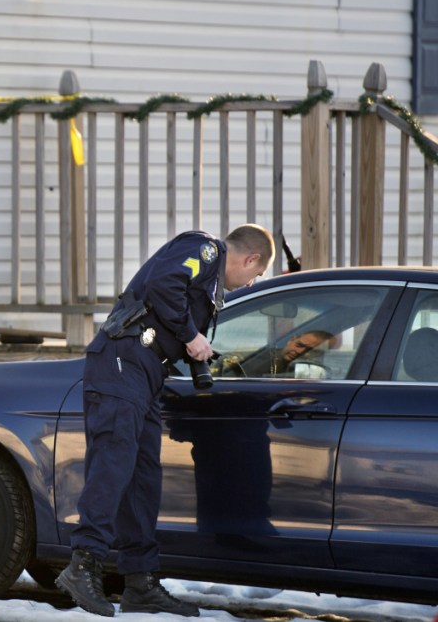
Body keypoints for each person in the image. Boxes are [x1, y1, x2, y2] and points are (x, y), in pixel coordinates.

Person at [55, 224, 275, 617]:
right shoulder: (205, 250)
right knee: (113, 464)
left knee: (143, 479)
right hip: (122, 363)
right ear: (250, 258)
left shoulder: (210, 287)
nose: (247, 284)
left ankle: (140, 582)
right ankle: (83, 564)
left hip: (145, 375)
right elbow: (163, 282)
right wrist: (192, 336)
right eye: (254, 276)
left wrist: (195, 347)